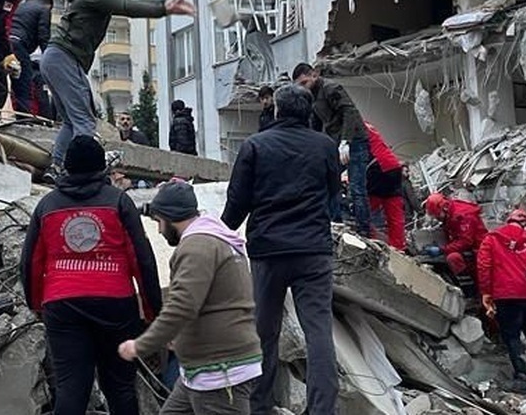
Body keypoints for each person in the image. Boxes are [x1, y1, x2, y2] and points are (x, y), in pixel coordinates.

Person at [20, 135, 162, 415]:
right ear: (101, 168)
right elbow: (142, 258)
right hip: (115, 304)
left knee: (72, 387)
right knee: (120, 386)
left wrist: (36, 304)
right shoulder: (119, 201)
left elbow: (31, 262)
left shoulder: (47, 206)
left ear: (67, 168)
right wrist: (151, 309)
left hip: (63, 305)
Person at [221, 85, 338, 415]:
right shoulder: (325, 145)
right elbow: (332, 194)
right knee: (318, 330)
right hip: (314, 250)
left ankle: (259, 406)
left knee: (263, 331)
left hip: (268, 251)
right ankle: (323, 409)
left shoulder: (254, 146)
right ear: (308, 111)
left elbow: (236, 205)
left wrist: (225, 226)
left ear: (276, 111)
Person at [41, 0, 195, 173]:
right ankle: (82, 173)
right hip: (63, 58)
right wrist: (164, 7)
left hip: (59, 59)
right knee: (84, 122)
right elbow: (125, 6)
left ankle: (56, 167)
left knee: (72, 121)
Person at [119, 181, 261, 414]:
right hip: (205, 367)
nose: (159, 230)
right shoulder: (217, 238)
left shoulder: (197, 247)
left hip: (219, 369)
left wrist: (141, 345)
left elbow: (182, 305)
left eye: (158, 223)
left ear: (168, 217)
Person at [477, 209, 526, 389]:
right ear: (525, 224)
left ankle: (521, 375)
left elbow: (484, 267)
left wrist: (486, 293)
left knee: (512, 336)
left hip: (505, 296)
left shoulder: (491, 239)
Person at [292, 62, 370, 236]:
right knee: (329, 182)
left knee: (357, 188)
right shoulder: (311, 95)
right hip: (335, 140)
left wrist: (346, 141)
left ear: (314, 75)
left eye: (304, 82)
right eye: (300, 85)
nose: (303, 87)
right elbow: (317, 122)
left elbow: (350, 112)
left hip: (354, 139)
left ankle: (364, 231)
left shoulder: (331, 88)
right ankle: (335, 223)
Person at [422, 191, 487, 279]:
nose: (438, 219)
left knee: (453, 258)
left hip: (479, 249)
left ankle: (470, 286)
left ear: (443, 209)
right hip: (469, 248)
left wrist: (442, 250)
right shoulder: (450, 213)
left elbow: (465, 241)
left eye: (438, 216)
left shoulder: (463, 216)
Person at [364, 121, 406, 251]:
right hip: (393, 165)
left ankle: (366, 236)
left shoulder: (350, 125)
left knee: (366, 207)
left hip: (377, 166)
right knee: (393, 209)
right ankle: (398, 247)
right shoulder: (368, 126)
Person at [10, 0, 54, 116]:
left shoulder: (22, 6)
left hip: (6, 45)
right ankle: (24, 118)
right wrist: (49, 59)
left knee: (10, 83)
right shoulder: (44, 9)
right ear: (50, 6)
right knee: (24, 84)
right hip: (19, 45)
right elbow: (43, 36)